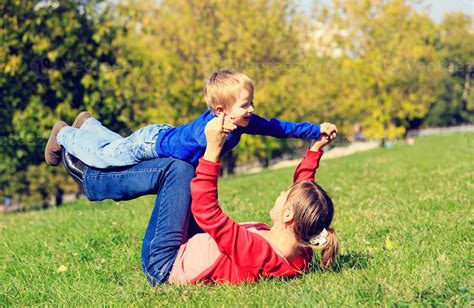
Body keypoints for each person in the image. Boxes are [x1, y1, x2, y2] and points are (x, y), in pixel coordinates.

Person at [62, 113, 339, 285]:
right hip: (197, 241)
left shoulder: (259, 252)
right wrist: (314, 149)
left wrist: (213, 151)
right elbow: (305, 193)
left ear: (289, 216)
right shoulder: (300, 247)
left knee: (178, 167)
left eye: (284, 196)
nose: (281, 193)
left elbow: (208, 212)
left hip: (166, 263)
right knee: (181, 162)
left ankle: (92, 179)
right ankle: (92, 131)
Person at [45, 69, 337, 168]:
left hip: (159, 134)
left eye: (252, 104)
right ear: (221, 110)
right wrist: (215, 130)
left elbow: (279, 127)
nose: (251, 110)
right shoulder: (207, 129)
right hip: (150, 144)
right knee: (104, 158)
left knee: (115, 147)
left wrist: (316, 129)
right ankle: (64, 134)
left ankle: (88, 124)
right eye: (245, 105)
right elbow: (199, 146)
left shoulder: (244, 122)